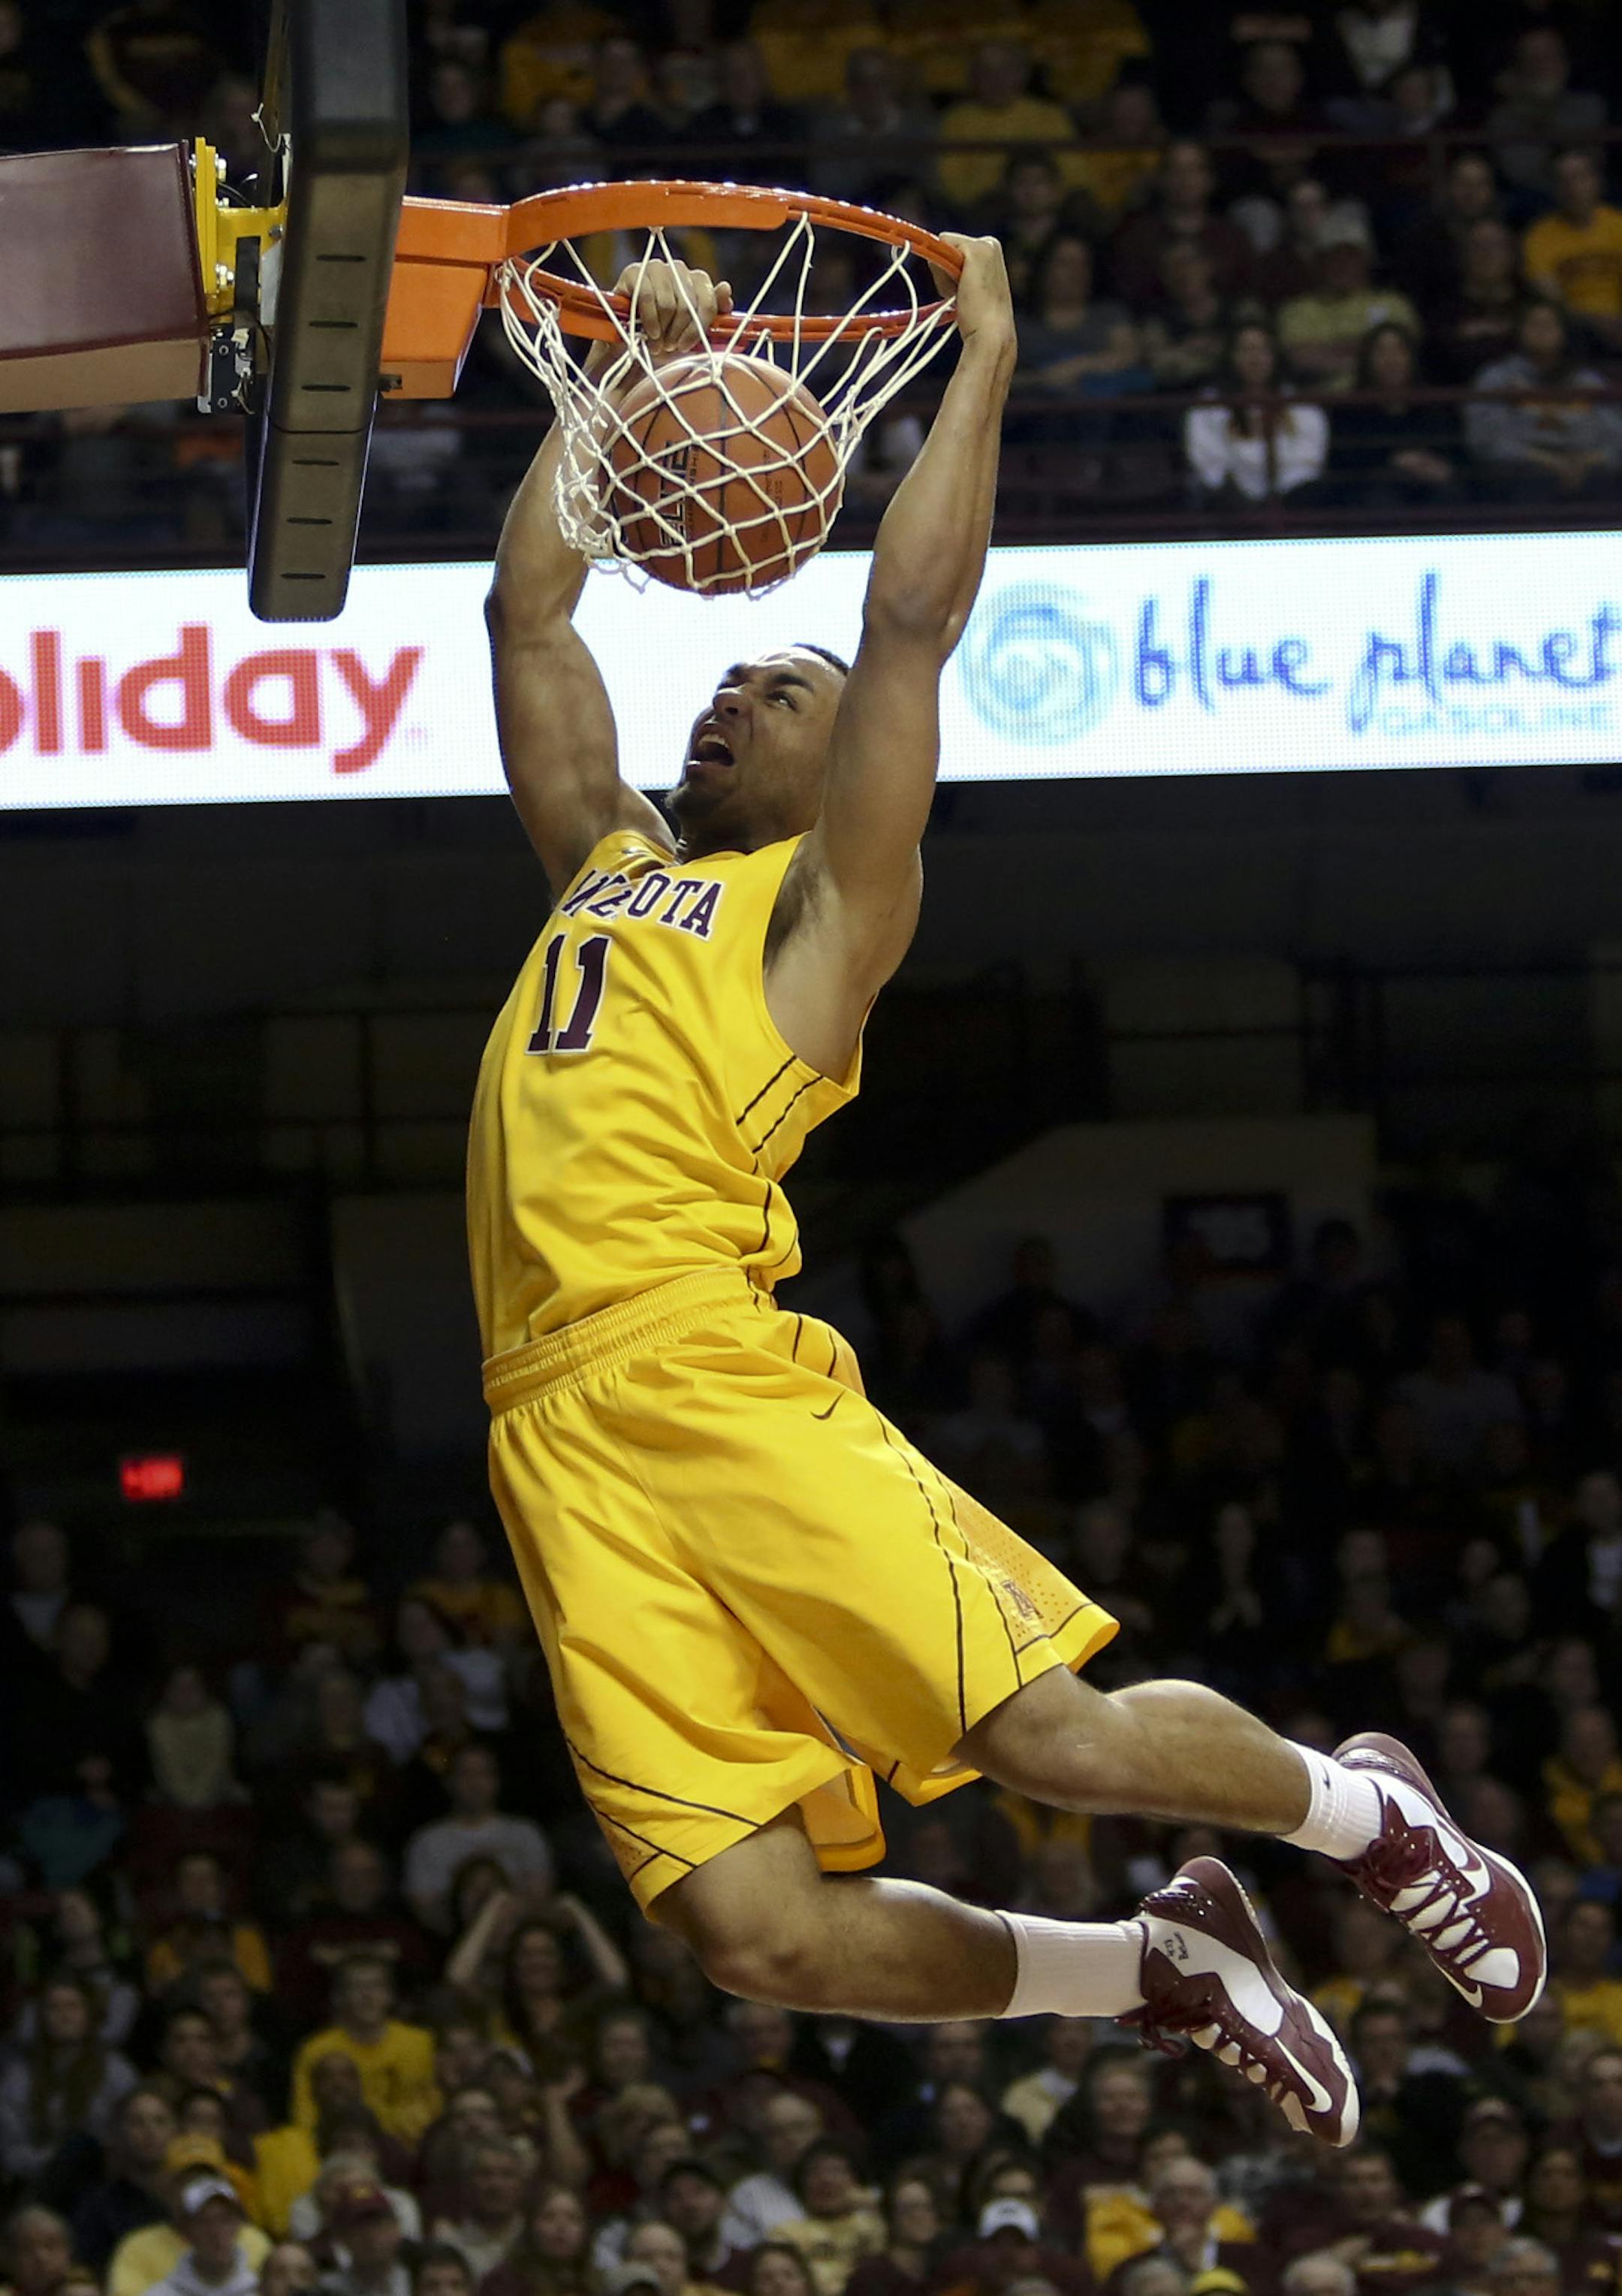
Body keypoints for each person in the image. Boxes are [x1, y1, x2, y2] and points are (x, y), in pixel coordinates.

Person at [469, 236, 1545, 2158]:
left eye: (772, 689)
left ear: (838, 766)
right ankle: (1148, 1962)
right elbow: (532, 625)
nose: (731, 690)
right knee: (749, 1932)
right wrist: (628, 380)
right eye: (723, 675)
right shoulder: (604, 868)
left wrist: (982, 352)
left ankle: (1364, 1812)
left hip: (702, 1368)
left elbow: (904, 623)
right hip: (547, 1428)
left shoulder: (819, 920)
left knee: (1050, 1735)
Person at [1467, 300, 1622, 503]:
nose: (1541, 332)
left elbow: (1616, 435)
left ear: (1564, 332)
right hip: (1521, 468)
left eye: (1549, 325)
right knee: (1534, 481)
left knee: (1605, 481)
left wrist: (1586, 461)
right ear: (1520, 331)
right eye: (1534, 325)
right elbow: (1485, 438)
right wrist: (1548, 461)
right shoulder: (1497, 377)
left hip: (1588, 464)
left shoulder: (1587, 381)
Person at [402, 1742, 552, 1932]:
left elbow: (539, 1900)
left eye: (484, 1773)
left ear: (497, 1780)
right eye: (466, 1774)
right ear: (449, 1782)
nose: (475, 1783)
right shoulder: (427, 1841)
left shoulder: (525, 1834)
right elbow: (426, 1910)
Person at [288, 1957, 439, 2146]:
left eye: (376, 1986)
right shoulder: (316, 2050)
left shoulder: (421, 2043)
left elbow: (434, 2109)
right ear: (338, 1997)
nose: (367, 1995)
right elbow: (305, 2119)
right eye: (357, 1987)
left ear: (390, 1995)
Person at [1186, 321, 1329, 507]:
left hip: (1293, 497)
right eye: (1245, 350)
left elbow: (1308, 460)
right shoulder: (1209, 405)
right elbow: (1210, 464)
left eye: (1263, 350)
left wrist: (1280, 493)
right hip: (1231, 501)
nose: (1254, 358)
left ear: (1276, 356)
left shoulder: (1301, 405)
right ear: (1230, 356)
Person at [1330, 323, 1459, 507]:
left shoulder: (1435, 405)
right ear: (1367, 360)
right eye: (1381, 352)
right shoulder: (1349, 409)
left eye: (1400, 350)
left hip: (1431, 488)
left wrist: (1439, 467)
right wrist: (1395, 461)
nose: (1391, 360)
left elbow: (1455, 456)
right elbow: (1343, 466)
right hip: (1372, 493)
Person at [1524, 149, 1622, 354]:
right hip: (1572, 330)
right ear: (1554, 188)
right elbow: (1550, 296)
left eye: (1580, 177)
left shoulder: (1618, 225)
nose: (1573, 188)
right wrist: (1597, 322)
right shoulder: (1540, 236)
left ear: (1597, 181)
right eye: (1563, 180)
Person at [144, 2179, 257, 2296]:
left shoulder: (262, 2291)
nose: (216, 2232)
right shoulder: (161, 2293)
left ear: (239, 2225)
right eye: (204, 2221)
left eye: (225, 2220)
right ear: (187, 2231)